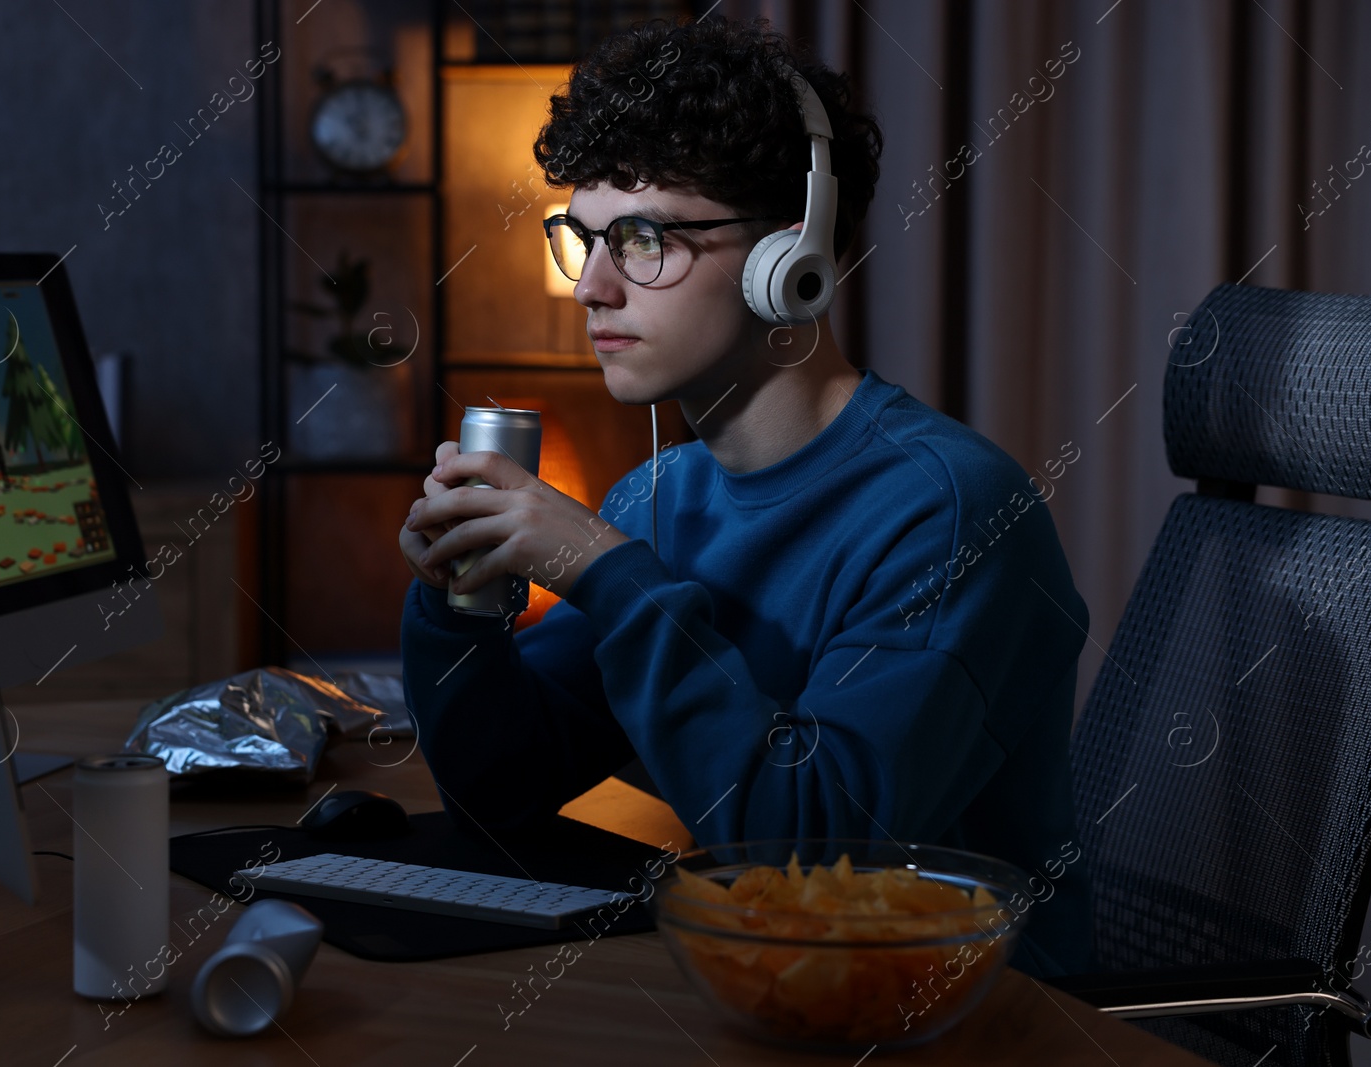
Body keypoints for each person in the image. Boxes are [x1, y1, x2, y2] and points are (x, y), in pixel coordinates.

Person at [396, 15, 1093, 979]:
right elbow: (501, 788)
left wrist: (609, 574)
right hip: (761, 986)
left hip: (955, 1017)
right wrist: (456, 606)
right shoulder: (655, 499)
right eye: (581, 238)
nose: (592, 287)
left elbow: (808, 853)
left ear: (789, 264)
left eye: (641, 239)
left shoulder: (954, 513)